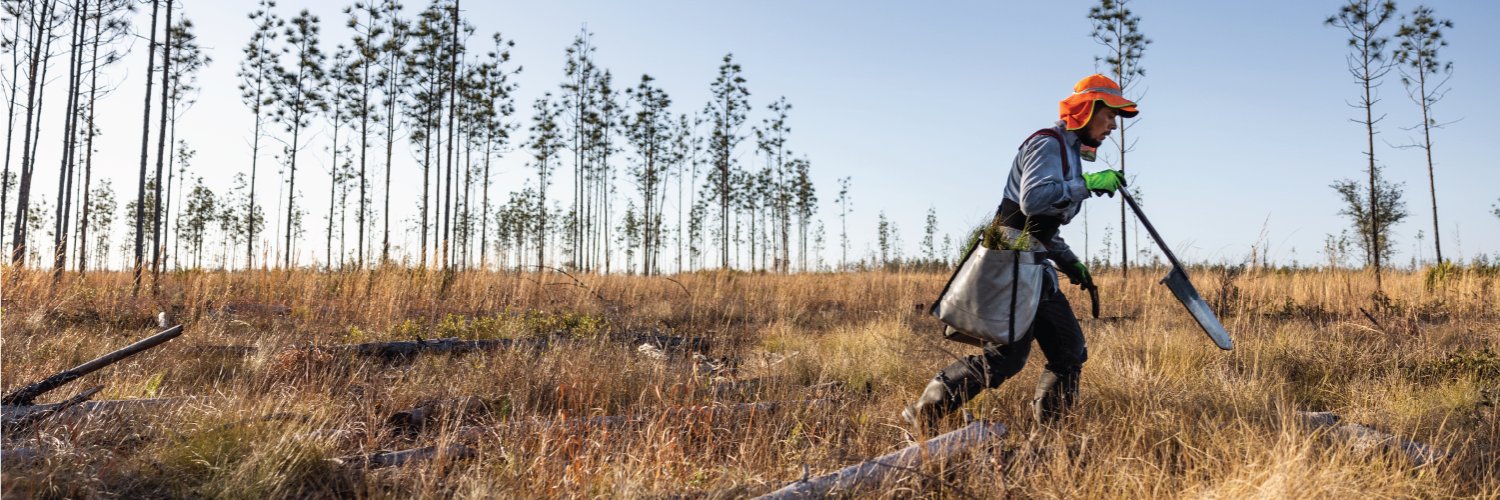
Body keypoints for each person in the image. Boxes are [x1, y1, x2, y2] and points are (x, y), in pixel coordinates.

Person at [902, 74, 1135, 428]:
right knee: (1006, 358)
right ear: (1087, 110)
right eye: (1110, 115)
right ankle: (922, 416)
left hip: (1034, 267)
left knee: (1069, 352)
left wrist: (1069, 261)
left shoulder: (1069, 154)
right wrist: (1085, 184)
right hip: (1011, 264)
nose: (1113, 126)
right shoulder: (1047, 144)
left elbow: (1041, 225)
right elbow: (1032, 202)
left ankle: (1052, 435)